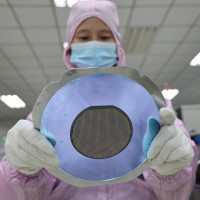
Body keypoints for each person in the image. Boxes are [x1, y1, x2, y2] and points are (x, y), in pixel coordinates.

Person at [0, 0, 199, 199]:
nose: (94, 43)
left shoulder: (148, 101)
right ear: (70, 47)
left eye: (104, 36)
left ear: (117, 45)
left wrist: (175, 166)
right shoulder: (52, 106)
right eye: (84, 36)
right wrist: (21, 169)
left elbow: (177, 188)